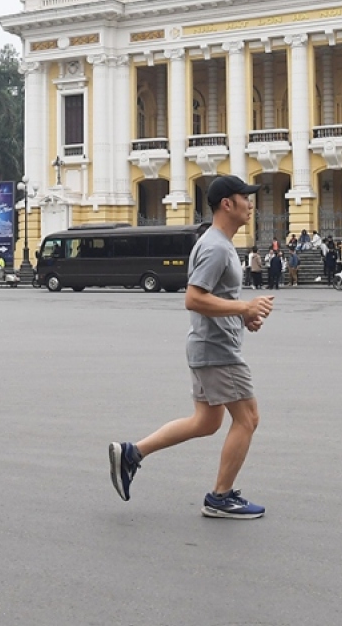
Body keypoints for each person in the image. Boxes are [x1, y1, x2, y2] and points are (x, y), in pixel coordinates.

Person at [109, 174, 274, 519]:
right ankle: (220, 497)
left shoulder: (219, 243)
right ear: (227, 204)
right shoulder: (215, 246)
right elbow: (194, 298)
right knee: (248, 419)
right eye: (246, 197)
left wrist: (242, 316)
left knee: (206, 422)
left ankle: (131, 453)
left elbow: (214, 298)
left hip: (209, 346)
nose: (251, 204)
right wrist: (244, 308)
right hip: (217, 351)